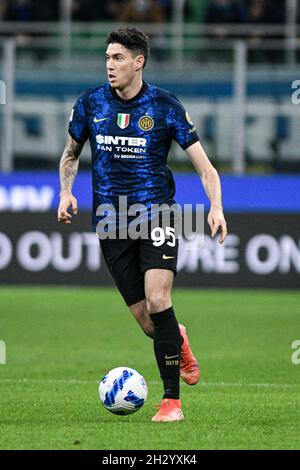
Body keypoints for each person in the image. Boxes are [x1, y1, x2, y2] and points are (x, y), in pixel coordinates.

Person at [58, 26, 227, 422]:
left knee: (158, 299)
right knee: (150, 322)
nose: (109, 65)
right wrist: (66, 192)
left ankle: (171, 403)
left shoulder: (165, 106)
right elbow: (70, 154)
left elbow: (206, 168)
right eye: (106, 58)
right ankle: (177, 339)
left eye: (118, 58)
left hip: (157, 214)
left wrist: (215, 206)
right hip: (110, 220)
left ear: (139, 61)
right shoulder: (90, 103)